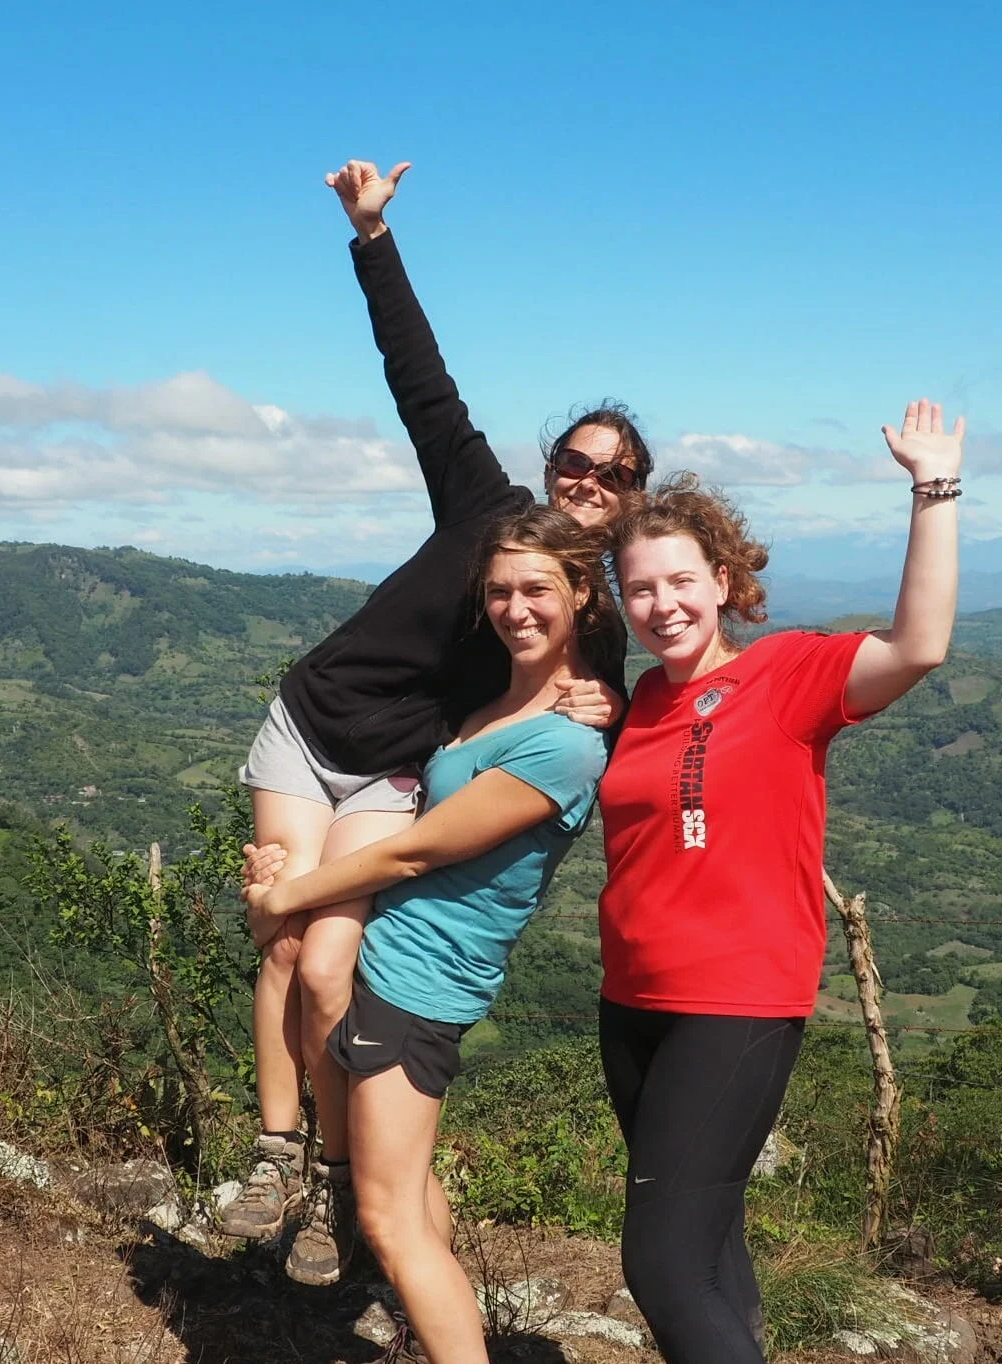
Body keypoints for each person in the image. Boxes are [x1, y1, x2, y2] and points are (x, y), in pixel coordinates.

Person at [221, 157, 650, 1285]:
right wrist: (370, 236)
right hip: (306, 722)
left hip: (390, 778)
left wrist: (608, 703)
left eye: (618, 473)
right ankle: (275, 1153)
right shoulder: (482, 500)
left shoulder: (596, 619)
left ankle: (330, 1178)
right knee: (277, 938)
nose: (592, 478)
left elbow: (629, 717)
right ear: (553, 463)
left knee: (324, 964)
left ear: (630, 498)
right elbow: (420, 377)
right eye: (579, 459)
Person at [597, 400, 964, 1363]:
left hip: (736, 1002)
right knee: (711, 1249)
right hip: (630, 1000)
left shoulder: (787, 675)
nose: (662, 604)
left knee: (662, 1266)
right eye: (640, 590)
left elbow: (918, 645)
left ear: (722, 581)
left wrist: (934, 488)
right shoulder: (637, 699)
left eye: (681, 580)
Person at [242, 506, 620, 1364]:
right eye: (499, 592)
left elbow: (413, 853)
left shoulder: (563, 746)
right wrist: (284, 895)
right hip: (383, 969)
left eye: (537, 590)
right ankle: (429, 1328)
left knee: (387, 1218)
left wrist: (291, 894)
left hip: (415, 987)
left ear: (584, 594)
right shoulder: (498, 703)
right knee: (406, 1192)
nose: (515, 608)